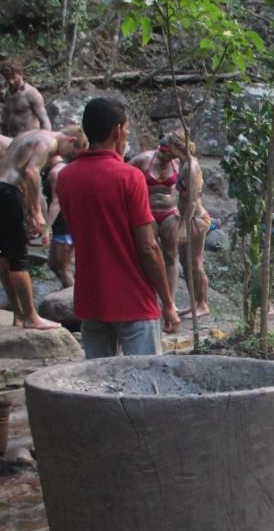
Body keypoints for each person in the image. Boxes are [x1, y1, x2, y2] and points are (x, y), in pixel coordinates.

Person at [55, 97, 179, 358]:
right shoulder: (129, 177)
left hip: (92, 299)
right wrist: (167, 302)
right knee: (145, 384)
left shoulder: (66, 177)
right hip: (133, 300)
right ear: (117, 131)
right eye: (127, 130)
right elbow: (148, 247)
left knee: (100, 389)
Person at [0, 126, 87, 329]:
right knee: (18, 259)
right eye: (72, 153)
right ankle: (30, 316)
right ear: (71, 139)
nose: (65, 157)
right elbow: (31, 172)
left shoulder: (27, 135)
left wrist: (28, 207)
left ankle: (19, 314)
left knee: (4, 258)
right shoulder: (49, 142)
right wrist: (36, 211)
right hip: (6, 194)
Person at [165, 131, 211, 318]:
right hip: (186, 217)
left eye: (170, 146)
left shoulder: (191, 167)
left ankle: (202, 304)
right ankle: (195, 303)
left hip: (195, 219)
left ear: (177, 146)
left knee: (195, 262)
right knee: (186, 262)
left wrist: (184, 225)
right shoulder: (182, 164)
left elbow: (192, 199)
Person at [129, 140, 182, 300]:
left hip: (170, 212)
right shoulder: (142, 160)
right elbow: (124, 175)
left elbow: (190, 187)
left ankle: (170, 300)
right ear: (161, 150)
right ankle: (146, 295)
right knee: (146, 253)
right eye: (167, 155)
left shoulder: (178, 162)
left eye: (172, 156)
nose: (169, 159)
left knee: (171, 255)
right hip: (147, 211)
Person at [43, 156, 74, 288]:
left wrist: (46, 229)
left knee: (63, 267)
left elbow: (57, 202)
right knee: (53, 264)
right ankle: (69, 290)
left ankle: (71, 301)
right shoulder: (64, 168)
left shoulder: (56, 172)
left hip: (63, 225)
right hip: (63, 223)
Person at [0, 59, 51, 135]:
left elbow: (45, 122)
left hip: (28, 141)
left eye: (13, 77)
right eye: (7, 78)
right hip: (9, 141)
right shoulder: (8, 94)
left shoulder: (32, 94)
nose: (11, 81)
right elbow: (3, 118)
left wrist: (44, 140)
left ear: (21, 74)